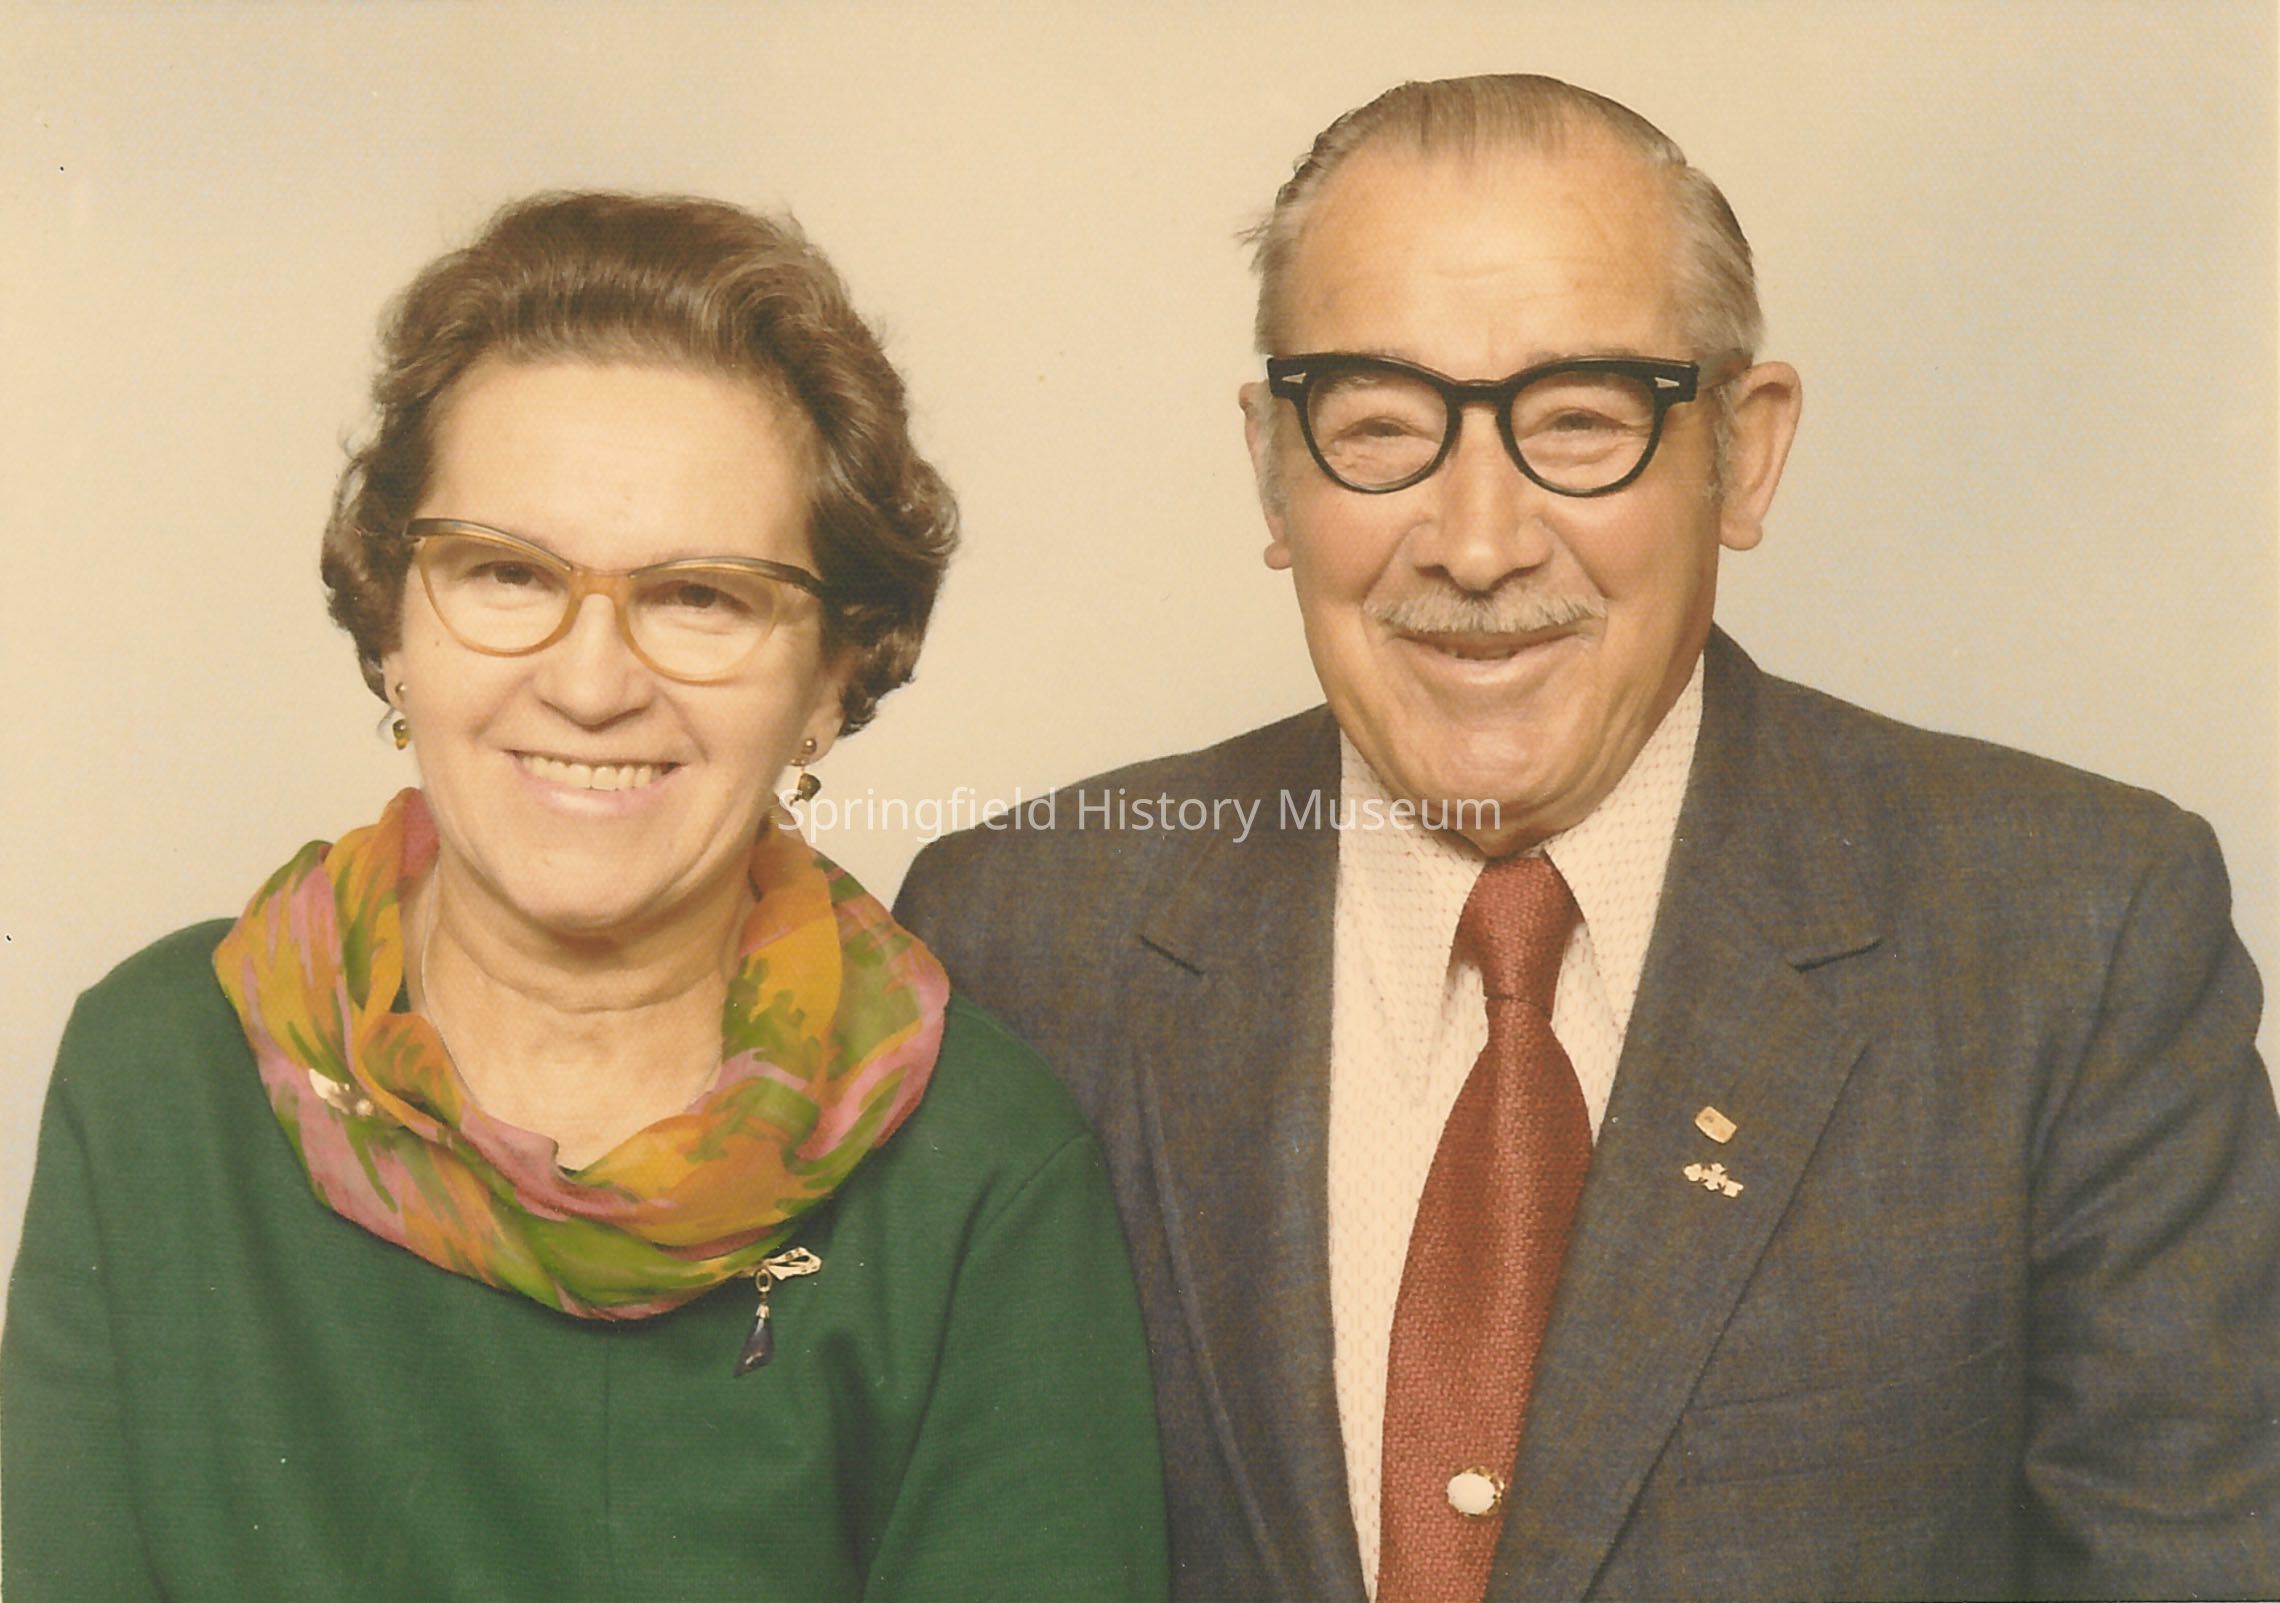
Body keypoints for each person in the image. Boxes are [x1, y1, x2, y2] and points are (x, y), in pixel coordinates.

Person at [895, 74, 2280, 1603]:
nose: (1479, 543)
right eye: (1380, 427)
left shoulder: (2073, 937)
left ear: (1744, 451)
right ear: (1274, 466)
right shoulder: (1024, 937)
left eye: (1578, 423)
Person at [2, 191, 1166, 1602]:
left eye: (701, 596)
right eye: (506, 573)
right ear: (392, 628)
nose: (593, 684)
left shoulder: (982, 1163)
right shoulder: (158, 1073)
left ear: (831, 679)